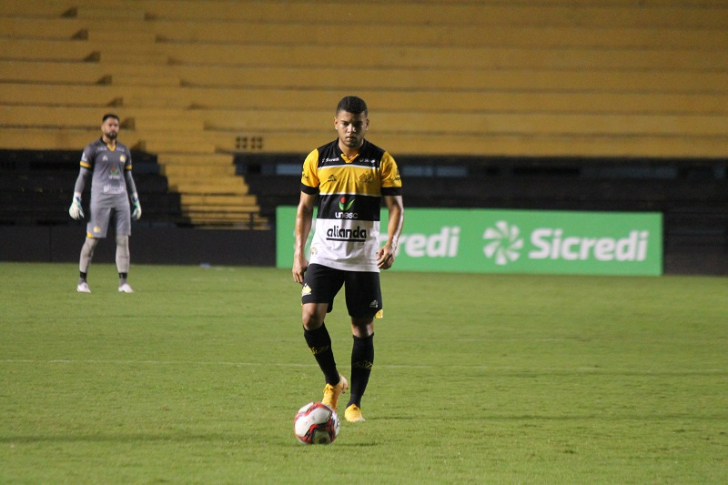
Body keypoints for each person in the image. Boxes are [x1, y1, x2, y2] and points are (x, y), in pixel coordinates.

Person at [292, 96, 404, 423]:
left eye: (357, 123)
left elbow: (396, 206)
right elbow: (304, 208)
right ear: (335, 123)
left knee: (362, 326)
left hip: (363, 259)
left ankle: (354, 402)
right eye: (345, 123)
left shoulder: (382, 161)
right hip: (324, 255)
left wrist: (392, 243)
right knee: (311, 317)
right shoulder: (318, 158)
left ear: (367, 124)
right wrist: (298, 253)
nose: (351, 129)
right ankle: (332, 381)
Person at [68, 113, 142, 293]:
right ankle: (82, 281)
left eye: (116, 125)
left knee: (123, 241)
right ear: (102, 127)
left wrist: (135, 201)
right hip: (100, 201)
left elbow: (129, 178)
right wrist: (75, 199)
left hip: (121, 200)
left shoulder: (124, 150)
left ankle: (123, 283)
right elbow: (83, 176)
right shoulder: (92, 149)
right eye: (110, 125)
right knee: (91, 242)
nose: (113, 128)